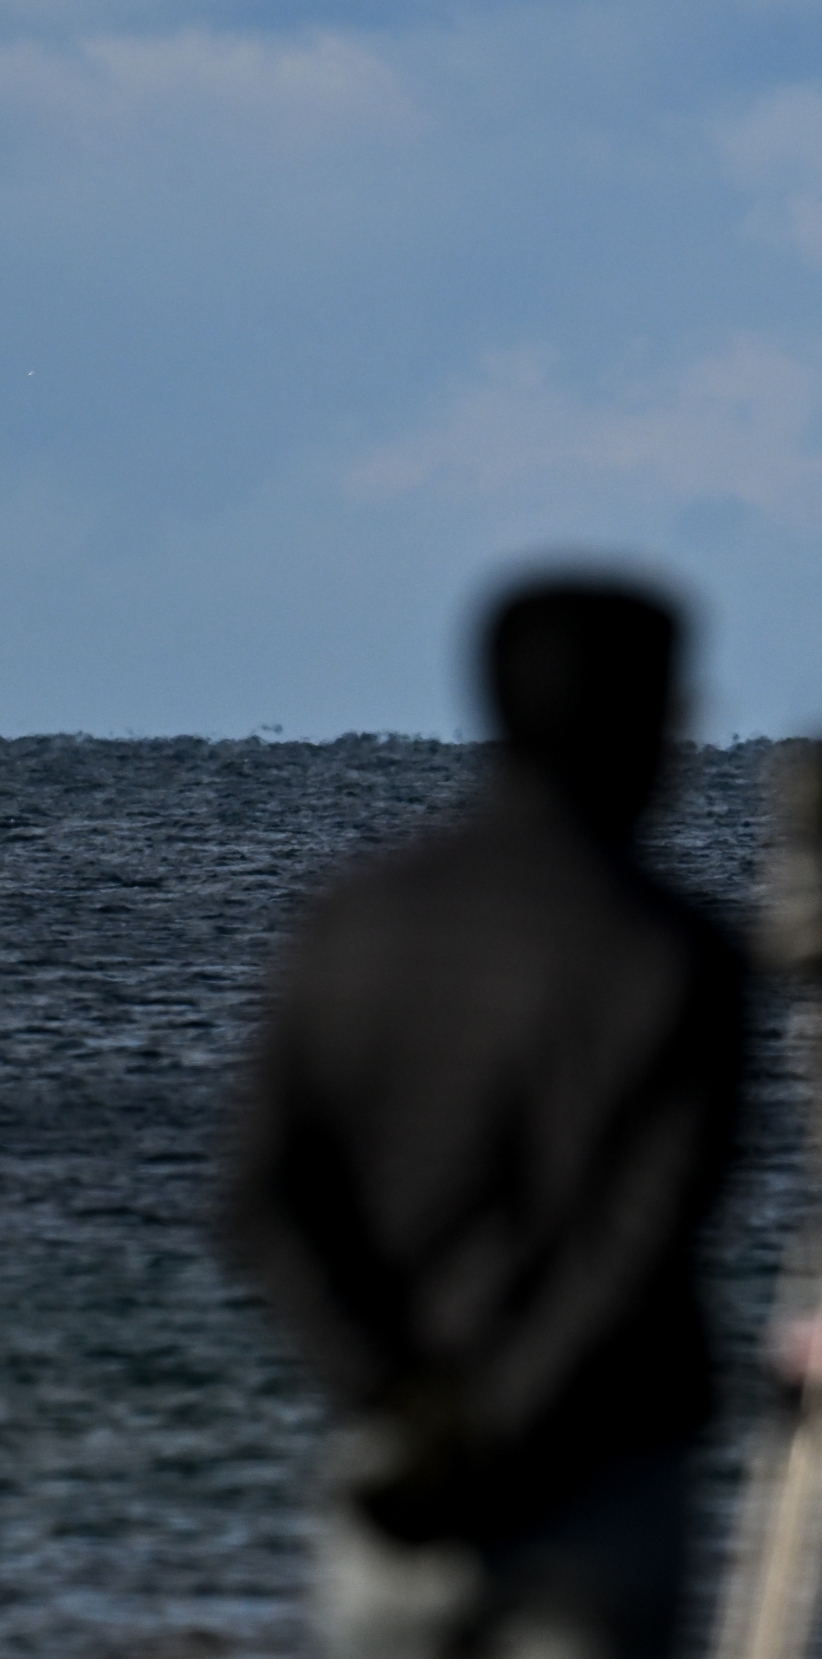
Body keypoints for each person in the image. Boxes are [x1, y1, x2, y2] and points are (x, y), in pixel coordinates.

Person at [222, 577, 747, 1659]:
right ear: (650, 721)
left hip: (396, 1477)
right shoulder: (671, 950)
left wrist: (399, 1405)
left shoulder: (352, 922)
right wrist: (507, 1421)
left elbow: (265, 1201)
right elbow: (638, 1240)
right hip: (598, 1468)